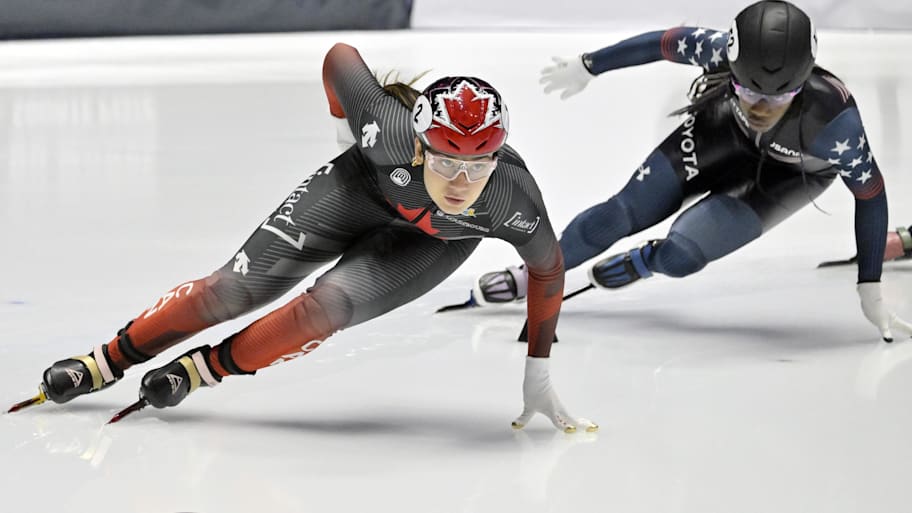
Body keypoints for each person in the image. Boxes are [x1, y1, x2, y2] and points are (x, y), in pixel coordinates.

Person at [9, 43, 596, 432]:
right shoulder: (385, 130)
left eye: (479, 166)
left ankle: (202, 370)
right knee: (229, 291)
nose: (462, 183)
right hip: (360, 188)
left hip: (434, 243)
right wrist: (343, 124)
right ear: (418, 147)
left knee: (327, 307)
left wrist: (536, 371)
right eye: (446, 163)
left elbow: (548, 270)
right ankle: (107, 360)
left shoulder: (513, 199)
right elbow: (340, 57)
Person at [468, 1, 912, 342]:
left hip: (788, 176)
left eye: (778, 99)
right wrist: (589, 65)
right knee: (621, 213)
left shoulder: (836, 124)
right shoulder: (719, 51)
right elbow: (663, 42)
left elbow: (870, 196)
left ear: (802, 85)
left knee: (681, 256)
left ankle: (647, 261)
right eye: (746, 89)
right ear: (731, 68)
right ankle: (535, 275)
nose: (759, 107)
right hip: (719, 131)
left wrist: (869, 285)